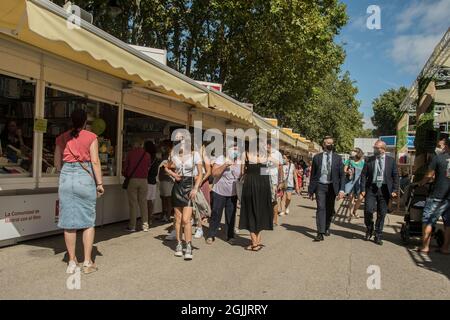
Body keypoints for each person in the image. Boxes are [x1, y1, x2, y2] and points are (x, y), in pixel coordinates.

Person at [54, 109, 104, 274]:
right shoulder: (91, 137)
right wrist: (100, 183)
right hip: (85, 178)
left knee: (69, 223)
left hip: (67, 178)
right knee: (88, 221)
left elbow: (57, 164)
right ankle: (87, 262)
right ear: (85, 122)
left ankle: (71, 262)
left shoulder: (61, 138)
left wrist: (67, 174)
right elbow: (95, 161)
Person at [164, 132, 203, 260]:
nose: (179, 141)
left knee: (186, 220)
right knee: (178, 219)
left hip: (189, 186)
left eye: (181, 139)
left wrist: (196, 188)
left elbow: (201, 174)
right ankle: (179, 244)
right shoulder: (173, 155)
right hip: (177, 187)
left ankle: (189, 246)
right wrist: (173, 175)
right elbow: (166, 167)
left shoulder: (194, 154)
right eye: (177, 139)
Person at [360, 140, 399, 245]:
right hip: (371, 189)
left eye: (377, 148)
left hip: (385, 189)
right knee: (368, 210)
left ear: (383, 149)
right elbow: (363, 175)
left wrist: (395, 190)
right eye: (374, 147)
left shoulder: (391, 161)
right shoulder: (369, 160)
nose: (374, 149)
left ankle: (378, 235)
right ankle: (369, 228)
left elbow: (395, 176)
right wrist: (362, 189)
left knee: (382, 213)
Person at [308, 136, 345, 242]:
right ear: (323, 144)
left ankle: (327, 226)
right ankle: (320, 232)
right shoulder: (317, 157)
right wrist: (311, 190)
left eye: (332, 143)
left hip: (332, 187)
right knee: (320, 208)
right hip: (320, 185)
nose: (330, 145)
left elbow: (342, 175)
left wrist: (342, 190)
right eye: (328, 143)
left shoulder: (338, 158)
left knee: (329, 209)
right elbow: (313, 175)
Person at [417, 138, 450, 254]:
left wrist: (421, 183)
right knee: (448, 223)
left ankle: (425, 247)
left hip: (437, 195)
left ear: (446, 146)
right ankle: (445, 248)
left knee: (428, 220)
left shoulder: (438, 158)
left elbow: (429, 176)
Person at [239, 139, 273, 251]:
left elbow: (242, 172)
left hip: (250, 184)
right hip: (263, 185)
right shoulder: (266, 156)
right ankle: (257, 241)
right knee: (261, 211)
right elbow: (266, 171)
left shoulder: (246, 154)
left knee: (250, 211)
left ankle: (254, 243)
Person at [206, 142, 242, 244]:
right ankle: (211, 234)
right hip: (219, 192)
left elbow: (241, 175)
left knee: (231, 215)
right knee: (216, 214)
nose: (235, 151)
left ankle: (230, 236)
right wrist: (225, 165)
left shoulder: (240, 161)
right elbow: (214, 173)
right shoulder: (221, 158)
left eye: (237, 149)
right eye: (233, 148)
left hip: (233, 193)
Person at [123, 138, 151, 232]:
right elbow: (148, 167)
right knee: (143, 203)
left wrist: (126, 174)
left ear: (134, 145)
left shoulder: (130, 153)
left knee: (133, 204)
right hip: (144, 180)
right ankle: (145, 225)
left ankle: (132, 226)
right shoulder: (147, 155)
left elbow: (125, 167)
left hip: (133, 180)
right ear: (142, 145)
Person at [193, 142, 212, 239]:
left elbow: (209, 171)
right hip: (193, 182)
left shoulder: (205, 156)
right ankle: (196, 224)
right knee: (193, 206)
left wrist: (201, 180)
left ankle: (199, 228)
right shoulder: (192, 155)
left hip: (202, 183)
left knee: (199, 206)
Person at [344, 148, 365, 219]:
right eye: (352, 151)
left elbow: (365, 173)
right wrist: (348, 172)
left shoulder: (363, 162)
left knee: (360, 198)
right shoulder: (349, 161)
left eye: (354, 151)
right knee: (351, 198)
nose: (352, 152)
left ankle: (355, 211)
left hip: (359, 182)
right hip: (350, 181)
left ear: (358, 153)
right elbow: (344, 170)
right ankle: (350, 213)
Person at [266, 139, 284, 226]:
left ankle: (275, 219)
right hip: (265, 180)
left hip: (274, 181)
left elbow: (280, 167)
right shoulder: (263, 154)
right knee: (266, 200)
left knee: (274, 200)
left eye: (266, 145)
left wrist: (280, 181)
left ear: (269, 145)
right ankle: (267, 218)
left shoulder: (277, 154)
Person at [144, 140, 161, 223]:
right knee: (150, 201)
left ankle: (147, 218)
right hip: (153, 181)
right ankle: (150, 217)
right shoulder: (156, 159)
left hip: (147, 180)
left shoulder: (147, 157)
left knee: (146, 201)